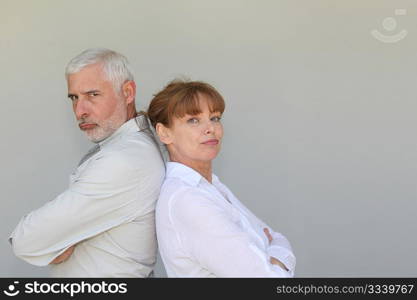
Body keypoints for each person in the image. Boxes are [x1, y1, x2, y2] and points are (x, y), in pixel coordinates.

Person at [9, 48, 165, 277]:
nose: (80, 111)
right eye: (74, 97)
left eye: (93, 95)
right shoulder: (127, 146)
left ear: (128, 92)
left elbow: (25, 241)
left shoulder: (123, 160)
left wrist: (56, 242)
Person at [147, 80, 296, 277]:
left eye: (215, 118)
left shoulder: (210, 186)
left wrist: (271, 255)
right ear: (164, 133)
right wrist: (273, 257)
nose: (210, 128)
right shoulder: (187, 199)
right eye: (193, 120)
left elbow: (277, 237)